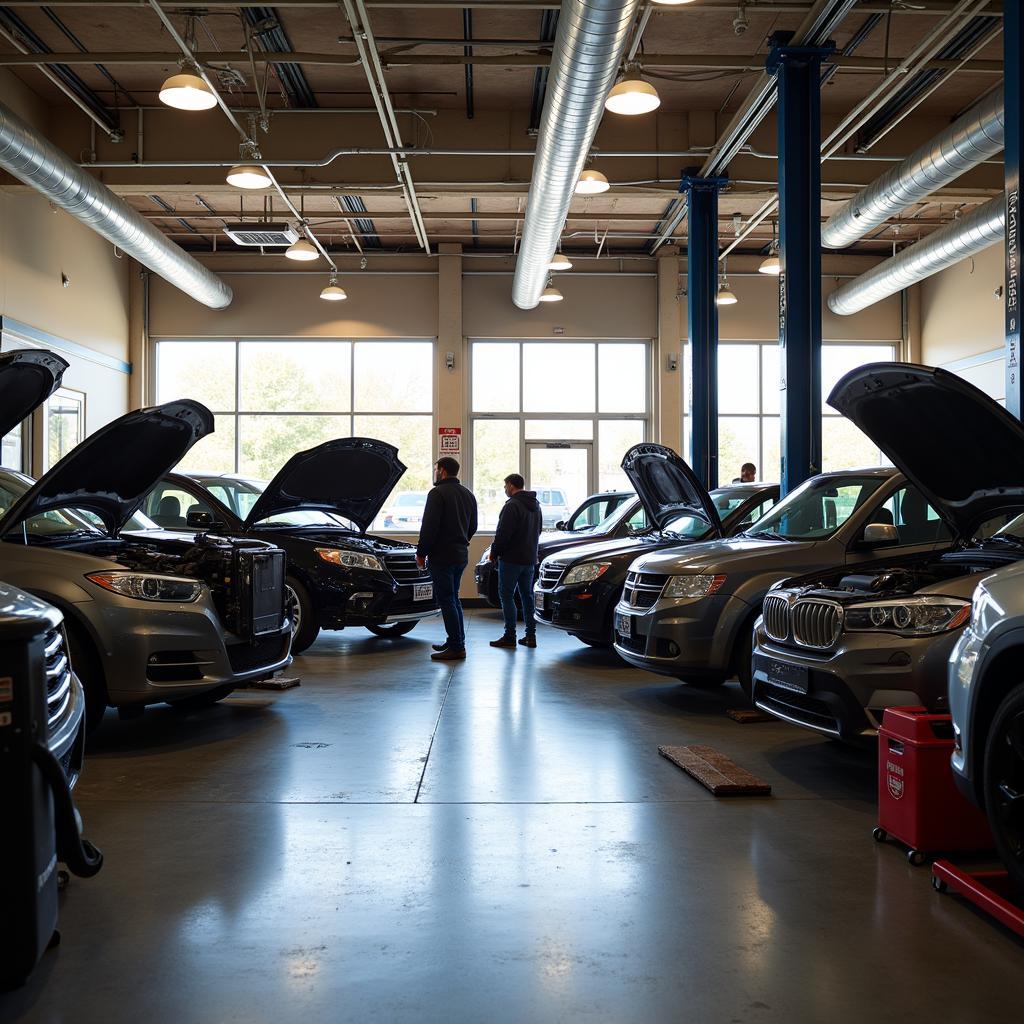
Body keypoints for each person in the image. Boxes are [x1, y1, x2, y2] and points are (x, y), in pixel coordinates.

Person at [416, 456, 478, 661]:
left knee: (447, 600)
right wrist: (461, 540)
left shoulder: (437, 493)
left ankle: (457, 647)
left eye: (435, 469)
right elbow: (473, 526)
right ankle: (454, 641)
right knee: (454, 598)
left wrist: (421, 552)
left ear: (442, 470)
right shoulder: (468, 494)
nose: (434, 472)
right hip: (460, 554)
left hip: (442, 556)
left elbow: (429, 526)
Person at [488, 474, 543, 650]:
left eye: (505, 486)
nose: (505, 489)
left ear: (511, 485)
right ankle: (530, 636)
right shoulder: (536, 505)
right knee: (527, 597)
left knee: (506, 595)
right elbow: (539, 530)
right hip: (529, 559)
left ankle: (509, 636)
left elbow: (503, 534)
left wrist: (494, 552)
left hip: (511, 560)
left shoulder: (511, 506)